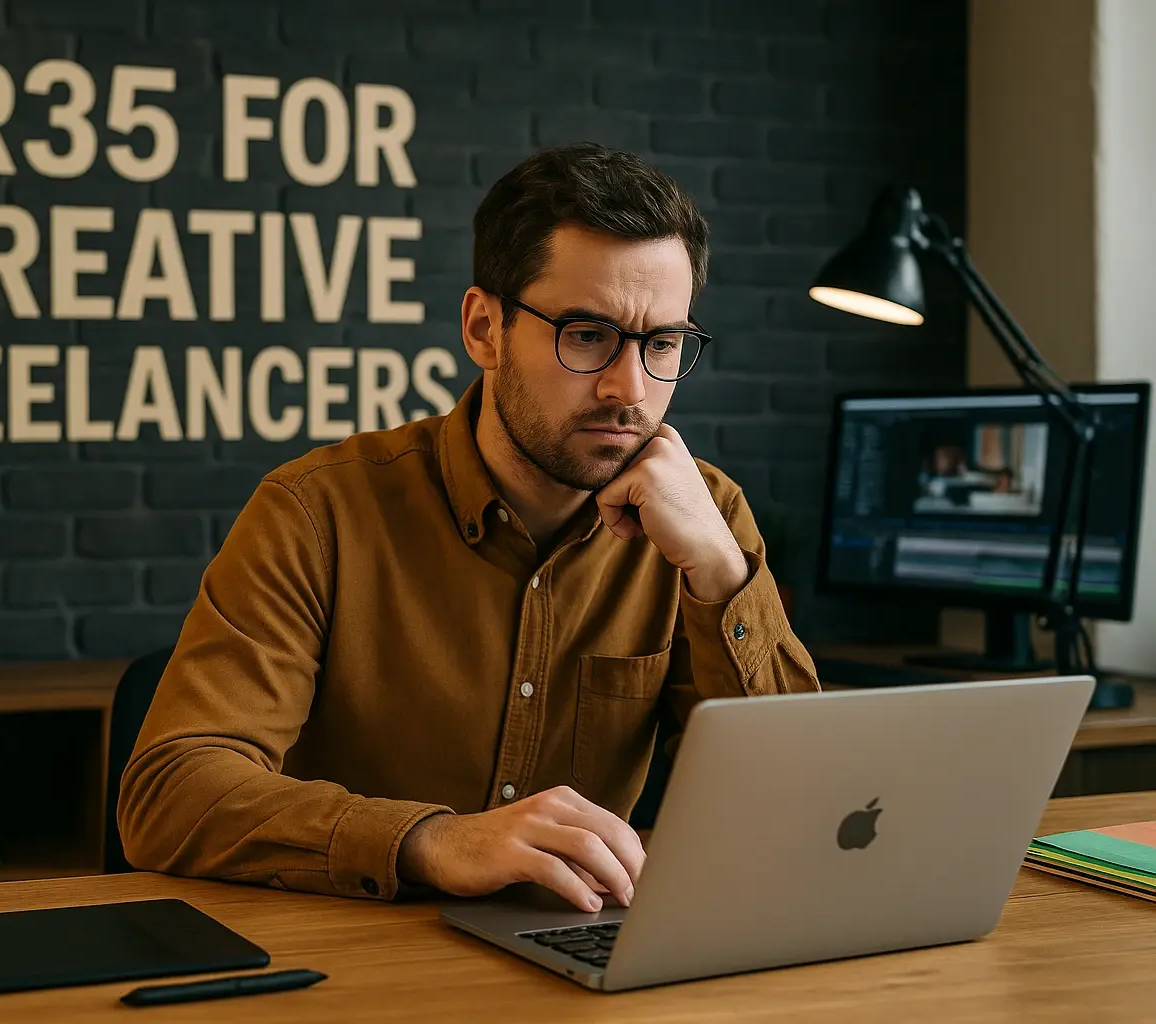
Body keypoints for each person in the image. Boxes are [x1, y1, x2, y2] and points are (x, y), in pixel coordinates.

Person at [117, 142, 820, 914]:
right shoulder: (315, 513)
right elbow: (170, 793)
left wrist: (720, 573)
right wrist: (432, 841)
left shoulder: (707, 518)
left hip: (577, 948)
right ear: (485, 329)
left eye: (661, 344)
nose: (629, 389)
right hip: (358, 950)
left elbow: (807, 807)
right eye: (586, 335)